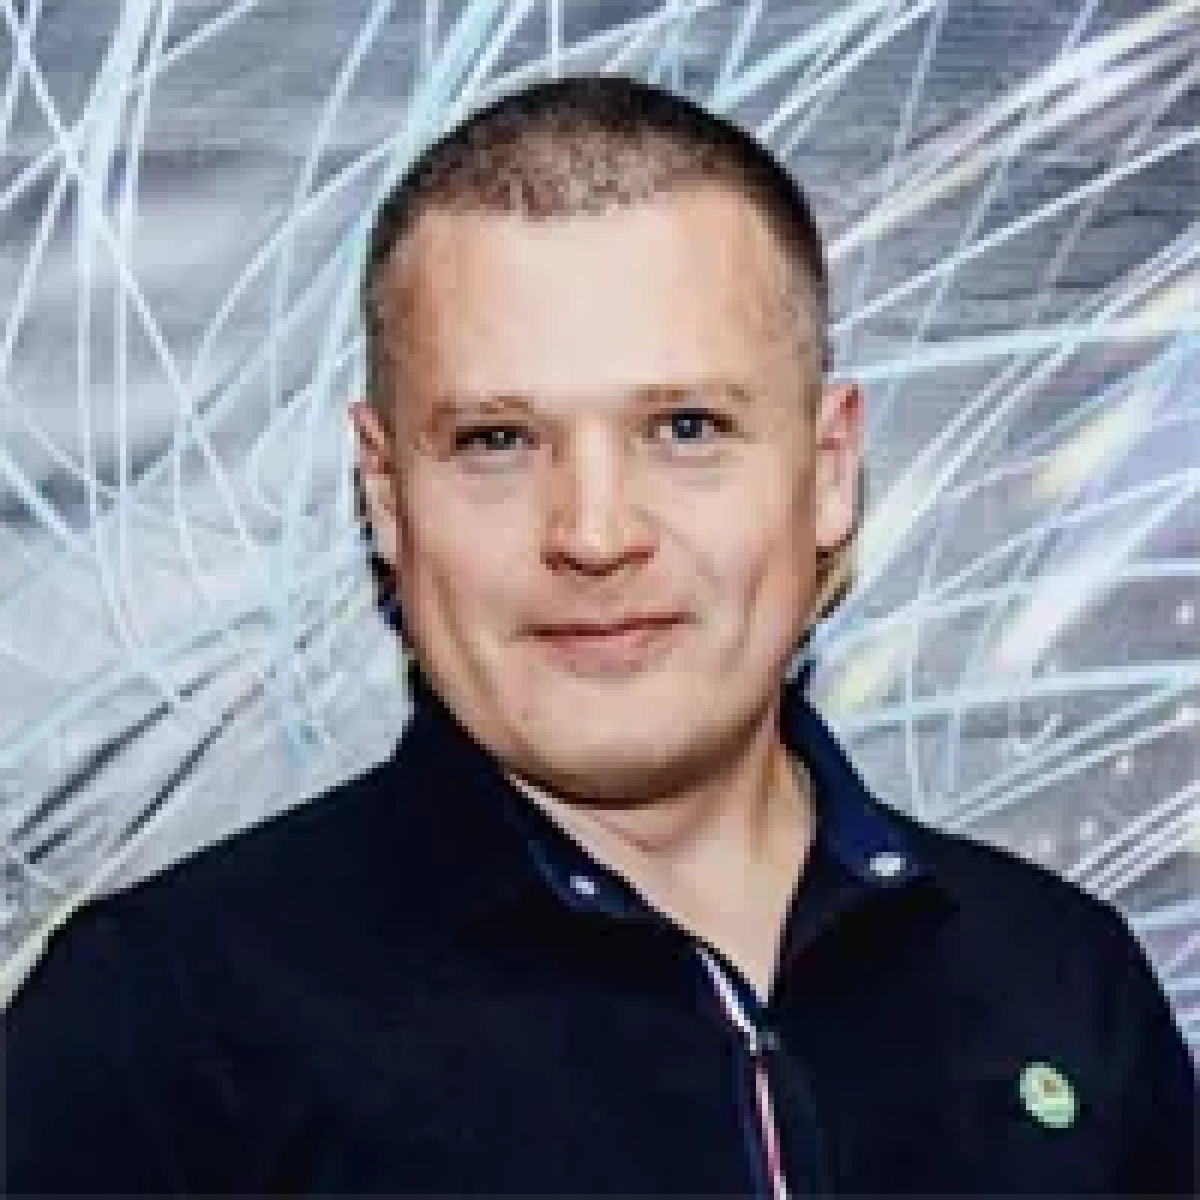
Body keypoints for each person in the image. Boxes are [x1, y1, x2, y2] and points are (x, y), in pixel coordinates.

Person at [5, 73, 1195, 1197]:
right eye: (497, 442)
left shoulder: (1060, 981)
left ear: (829, 469)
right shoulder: (156, 1029)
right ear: (385, 493)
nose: (593, 532)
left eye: (686, 428)